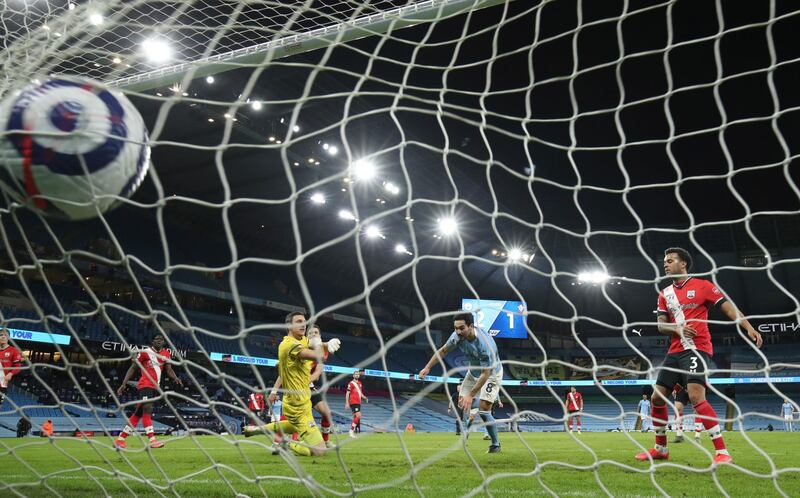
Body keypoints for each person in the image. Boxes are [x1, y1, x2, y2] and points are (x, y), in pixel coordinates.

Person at [635, 247, 763, 465]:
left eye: (670, 260)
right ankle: (660, 448)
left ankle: (722, 452)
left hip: (697, 348)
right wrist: (677, 329)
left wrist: (748, 327)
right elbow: (661, 326)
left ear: (683, 263)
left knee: (695, 396)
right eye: (664, 261)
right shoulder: (664, 294)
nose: (665, 264)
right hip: (675, 352)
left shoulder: (703, 286)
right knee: (656, 398)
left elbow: (729, 309)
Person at [244, 312, 340, 457]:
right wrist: (320, 343)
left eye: (304, 321)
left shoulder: (301, 340)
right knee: (320, 451)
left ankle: (258, 429)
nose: (303, 324)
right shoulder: (289, 345)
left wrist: (327, 344)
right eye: (298, 321)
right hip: (297, 404)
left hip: (304, 397)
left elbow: (313, 347)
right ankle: (286, 443)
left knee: (292, 424)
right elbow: (318, 355)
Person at [419, 312, 503, 453]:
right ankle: (480, 404)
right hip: (473, 372)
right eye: (456, 328)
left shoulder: (484, 344)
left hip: (491, 374)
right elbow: (443, 350)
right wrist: (427, 367)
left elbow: (486, 373)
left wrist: (471, 394)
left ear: (471, 326)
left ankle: (495, 445)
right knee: (461, 403)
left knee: (483, 409)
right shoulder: (456, 336)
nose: (458, 332)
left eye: (461, 328)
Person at [267, 324, 338, 448]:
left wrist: (306, 381)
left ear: (319, 336)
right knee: (290, 417)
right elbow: (284, 373)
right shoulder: (299, 349)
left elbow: (317, 372)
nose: (313, 335)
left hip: (308, 387)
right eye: (310, 333)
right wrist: (274, 391)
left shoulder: (322, 352)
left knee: (327, 412)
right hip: (295, 388)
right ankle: (277, 442)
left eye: (316, 332)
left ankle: (325, 440)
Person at [114, 334, 184, 449]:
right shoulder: (145, 351)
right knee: (147, 409)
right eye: (157, 339)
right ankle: (152, 440)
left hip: (155, 387)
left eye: (161, 340)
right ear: (153, 341)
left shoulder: (166, 353)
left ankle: (120, 439)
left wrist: (175, 378)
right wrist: (123, 383)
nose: (159, 341)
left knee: (138, 413)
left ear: (164, 342)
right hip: (145, 385)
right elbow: (133, 367)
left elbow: (169, 369)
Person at [0, 329, 23, 407]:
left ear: (8, 338)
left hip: (2, 383)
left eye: (5, 335)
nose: (3, 337)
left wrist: (10, 374)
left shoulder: (14, 351)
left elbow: (18, 367)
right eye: (1, 335)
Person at [345, 370, 368, 437]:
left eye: (358, 374)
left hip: (358, 402)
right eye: (355, 374)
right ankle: (351, 431)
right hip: (353, 402)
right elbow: (347, 393)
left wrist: (365, 397)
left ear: (359, 375)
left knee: (355, 417)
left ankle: (352, 432)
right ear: (353, 375)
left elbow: (360, 393)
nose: (357, 375)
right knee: (358, 416)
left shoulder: (360, 383)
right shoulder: (351, 383)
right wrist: (347, 402)